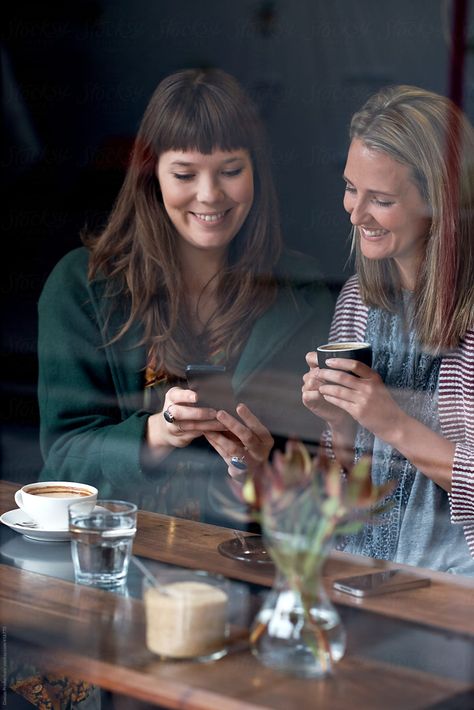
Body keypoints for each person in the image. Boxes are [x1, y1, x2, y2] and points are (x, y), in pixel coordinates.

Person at [38, 67, 333, 527]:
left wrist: (249, 468)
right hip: (106, 553)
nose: (209, 195)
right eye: (184, 173)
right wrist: (158, 432)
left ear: (256, 172)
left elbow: (323, 473)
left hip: (238, 564)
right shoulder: (80, 286)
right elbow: (62, 463)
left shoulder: (303, 292)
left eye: (230, 171)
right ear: (150, 174)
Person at [302, 85, 474, 574]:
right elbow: (353, 482)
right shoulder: (358, 298)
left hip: (454, 588)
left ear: (438, 200)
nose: (355, 213)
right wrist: (338, 422)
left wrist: (391, 422)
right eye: (351, 188)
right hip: (365, 575)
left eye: (380, 199)